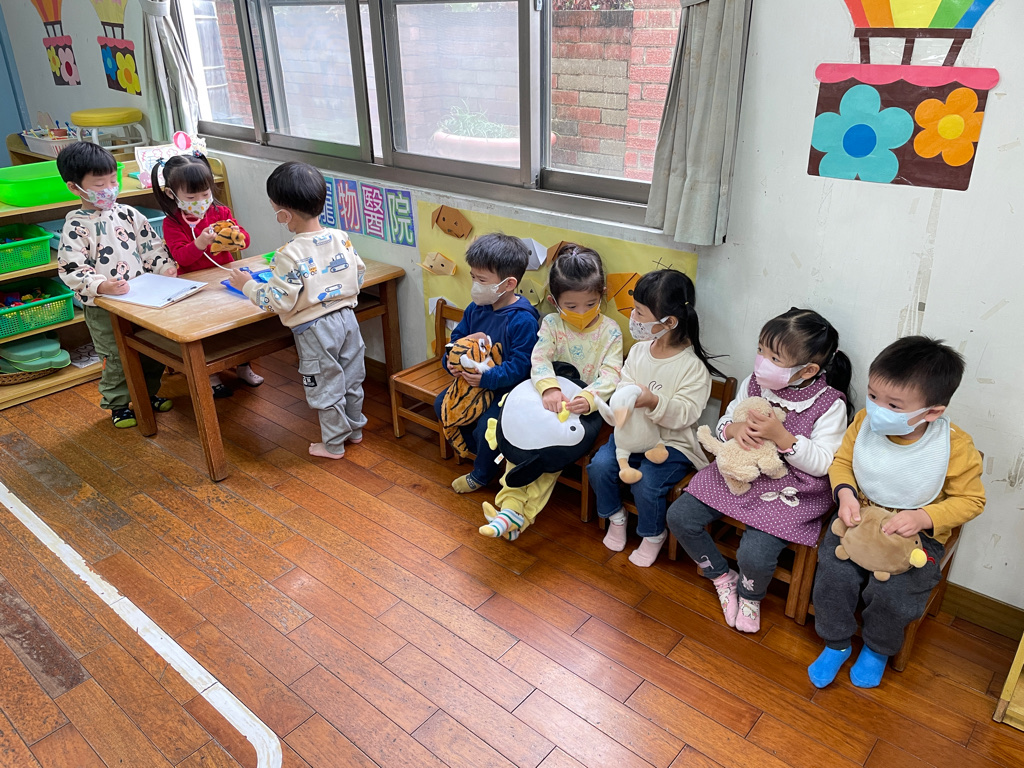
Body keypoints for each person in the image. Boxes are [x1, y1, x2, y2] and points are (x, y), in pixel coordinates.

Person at [808, 336, 984, 689]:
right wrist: (845, 493)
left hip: (916, 535)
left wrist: (924, 517)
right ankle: (836, 642)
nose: (877, 408)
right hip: (860, 517)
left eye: (893, 404)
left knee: (895, 595)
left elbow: (971, 500)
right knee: (834, 576)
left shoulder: (953, 446)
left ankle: (877, 649)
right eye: (873, 396)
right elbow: (842, 463)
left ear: (932, 412)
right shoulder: (863, 422)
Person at [667, 308, 853, 633]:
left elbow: (825, 462)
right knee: (680, 517)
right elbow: (727, 420)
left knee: (754, 553)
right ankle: (722, 577)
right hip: (738, 472)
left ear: (808, 369)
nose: (762, 361)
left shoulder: (830, 404)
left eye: (774, 358)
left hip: (789, 487)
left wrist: (782, 438)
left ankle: (750, 596)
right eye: (760, 350)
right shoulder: (755, 383)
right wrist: (733, 428)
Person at [480, 243, 623, 540]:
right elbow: (540, 359)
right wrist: (549, 389)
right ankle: (510, 509)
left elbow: (612, 373)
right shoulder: (551, 323)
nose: (582, 312)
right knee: (522, 442)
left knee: (549, 455)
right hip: (548, 400)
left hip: (583, 411)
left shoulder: (610, 331)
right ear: (553, 301)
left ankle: (519, 516)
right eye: (571, 306)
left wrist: (588, 398)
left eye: (591, 303)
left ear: (602, 294)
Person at [228, 161, 366, 459]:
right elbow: (359, 274)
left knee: (326, 384)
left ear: (284, 215)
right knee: (351, 378)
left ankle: (333, 445)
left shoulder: (288, 254)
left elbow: (277, 301)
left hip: (315, 329)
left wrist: (247, 286)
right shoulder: (340, 237)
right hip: (347, 320)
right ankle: (355, 431)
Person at [587, 269, 718, 567]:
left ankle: (653, 534)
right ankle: (616, 516)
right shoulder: (638, 351)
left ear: (669, 322)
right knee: (600, 466)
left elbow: (686, 414)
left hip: (671, 443)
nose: (633, 317)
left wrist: (653, 401)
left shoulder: (693, 368)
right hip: (631, 435)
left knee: (647, 482)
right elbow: (623, 386)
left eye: (639, 312)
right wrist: (623, 401)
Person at [55, 141, 177, 428]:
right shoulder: (76, 225)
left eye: (113, 180)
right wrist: (101, 286)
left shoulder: (129, 214)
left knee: (152, 349)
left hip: (141, 299)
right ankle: (118, 404)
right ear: (75, 188)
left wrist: (165, 267)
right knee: (117, 357)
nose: (110, 188)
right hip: (103, 307)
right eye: (100, 184)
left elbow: (151, 247)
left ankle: (147, 394)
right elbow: (71, 267)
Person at [434, 233, 540, 493]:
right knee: (441, 404)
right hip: (472, 385)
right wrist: (450, 361)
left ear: (509, 283)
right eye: (473, 277)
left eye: (481, 280)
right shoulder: (476, 308)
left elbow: (521, 366)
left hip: (507, 391)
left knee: (487, 427)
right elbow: (457, 339)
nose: (475, 285)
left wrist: (486, 378)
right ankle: (483, 455)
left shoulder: (522, 320)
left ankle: (482, 473)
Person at [155, 151, 263, 397]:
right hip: (194, 285)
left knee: (236, 325)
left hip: (223, 279)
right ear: (172, 194)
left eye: (205, 194)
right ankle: (211, 374)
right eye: (191, 197)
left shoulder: (220, 212)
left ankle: (243, 365)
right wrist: (200, 243)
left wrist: (236, 237)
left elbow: (245, 240)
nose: (200, 201)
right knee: (206, 330)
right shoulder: (173, 222)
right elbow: (181, 257)